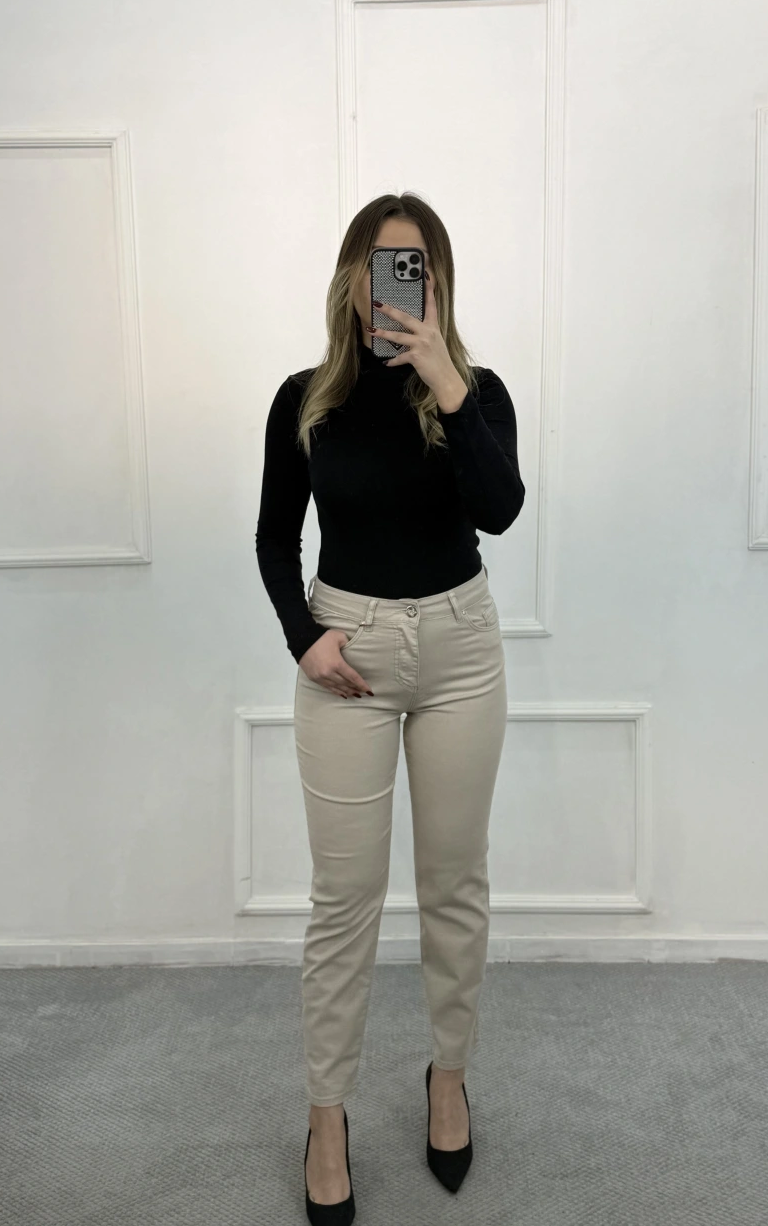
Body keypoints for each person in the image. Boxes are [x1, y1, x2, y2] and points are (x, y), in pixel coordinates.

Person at [255, 192, 526, 1220]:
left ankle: (447, 1075)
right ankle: (326, 1114)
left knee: (454, 882)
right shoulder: (305, 400)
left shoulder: (478, 392)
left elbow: (500, 508)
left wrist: (446, 382)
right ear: (351, 278)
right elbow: (274, 536)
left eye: (413, 266)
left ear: (438, 281)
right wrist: (304, 636)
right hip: (348, 655)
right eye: (380, 264)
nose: (393, 285)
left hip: (460, 650)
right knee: (345, 898)